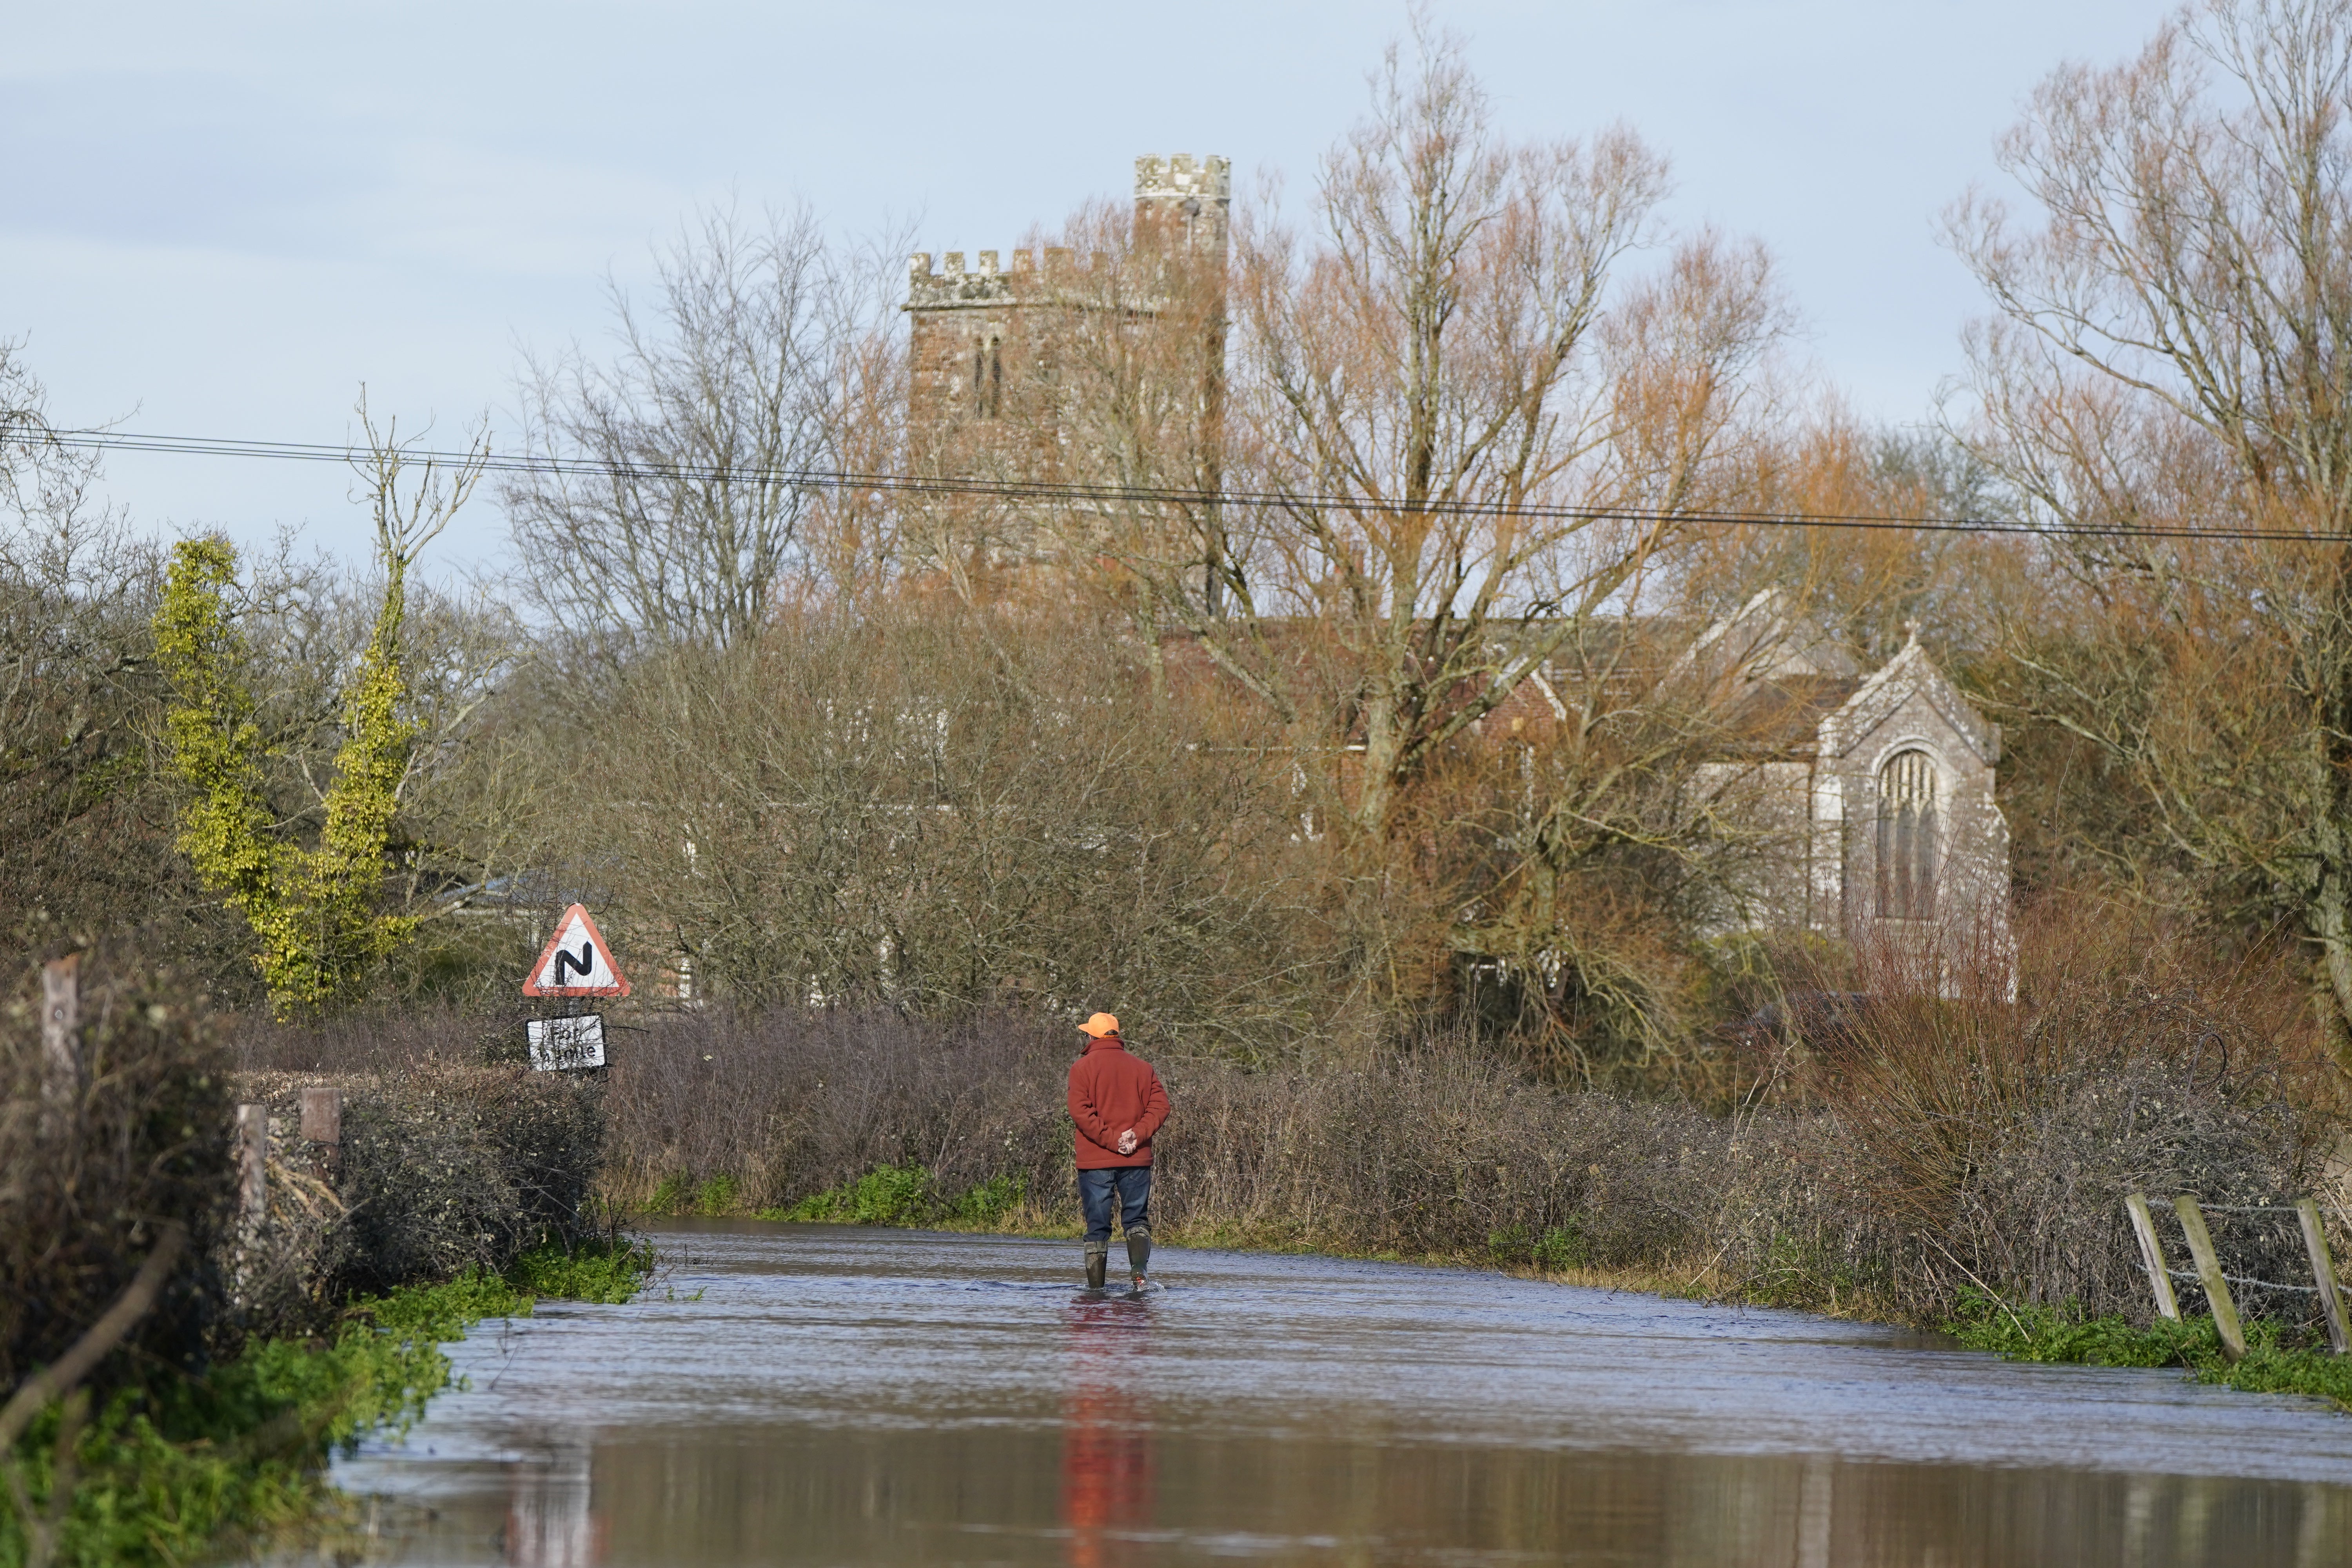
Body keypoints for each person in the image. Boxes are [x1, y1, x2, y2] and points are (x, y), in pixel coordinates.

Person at [1066, 1012, 1171, 1291]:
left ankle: (1096, 1291)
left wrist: (1113, 1141)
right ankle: (1139, 1273)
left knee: (1097, 1227)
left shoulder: (1082, 1068)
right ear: (1116, 1036)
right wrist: (1136, 1136)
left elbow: (1081, 1112)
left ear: (1092, 1037)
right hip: (1137, 1159)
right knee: (1136, 1220)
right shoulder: (1143, 1068)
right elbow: (1161, 1107)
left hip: (1096, 1161)